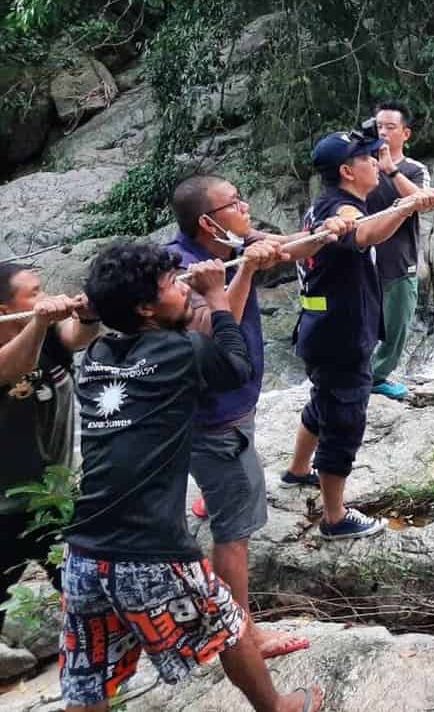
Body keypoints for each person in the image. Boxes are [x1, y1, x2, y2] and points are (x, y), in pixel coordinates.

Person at [61, 243, 321, 712]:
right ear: (144, 308)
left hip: (84, 550)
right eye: (172, 286)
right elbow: (237, 370)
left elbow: (104, 330)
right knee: (232, 626)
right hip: (149, 549)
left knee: (89, 676)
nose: (184, 289)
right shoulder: (180, 351)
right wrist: (216, 296)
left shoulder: (98, 353)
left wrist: (95, 310)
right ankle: (278, 708)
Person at [164, 175, 353, 660]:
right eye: (235, 203)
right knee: (236, 530)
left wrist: (325, 231)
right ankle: (241, 633)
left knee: (228, 498)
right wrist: (242, 275)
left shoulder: (234, 240)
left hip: (228, 410)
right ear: (208, 222)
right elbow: (209, 330)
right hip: (214, 419)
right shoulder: (182, 268)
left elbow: (282, 247)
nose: (245, 207)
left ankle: (213, 495)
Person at [283, 131, 434, 540]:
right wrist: (407, 206)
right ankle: (335, 518)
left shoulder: (330, 204)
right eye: (368, 158)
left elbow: (367, 225)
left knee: (323, 401)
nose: (376, 161)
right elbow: (365, 234)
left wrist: (402, 204)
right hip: (340, 337)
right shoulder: (340, 211)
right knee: (344, 419)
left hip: (321, 331)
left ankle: (298, 470)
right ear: (346, 170)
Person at [0, 264, 99, 631]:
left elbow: (78, 338)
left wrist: (89, 317)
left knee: (86, 588)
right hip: (4, 508)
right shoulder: (28, 340)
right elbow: (12, 368)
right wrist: (38, 324)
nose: (44, 298)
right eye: (34, 293)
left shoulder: (50, 336)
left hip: (54, 498)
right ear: (5, 310)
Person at [365, 102, 433, 401]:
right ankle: (358, 376)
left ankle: (377, 376)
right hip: (361, 261)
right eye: (379, 126)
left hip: (399, 259)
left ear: (405, 133)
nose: (383, 132)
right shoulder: (360, 166)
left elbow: (423, 199)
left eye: (390, 127)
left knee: (396, 327)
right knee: (360, 325)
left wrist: (390, 170)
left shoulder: (414, 170)